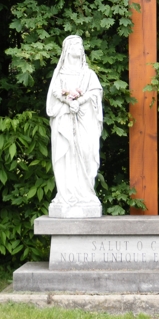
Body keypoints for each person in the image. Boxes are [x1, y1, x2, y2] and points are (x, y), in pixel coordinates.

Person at [46, 35, 103, 217]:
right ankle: (66, 195)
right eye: (76, 44)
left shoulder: (89, 74)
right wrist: (67, 101)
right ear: (68, 49)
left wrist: (80, 101)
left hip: (85, 119)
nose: (80, 47)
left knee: (87, 152)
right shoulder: (60, 75)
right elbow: (55, 95)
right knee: (66, 154)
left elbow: (96, 92)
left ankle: (85, 194)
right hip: (64, 119)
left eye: (81, 44)